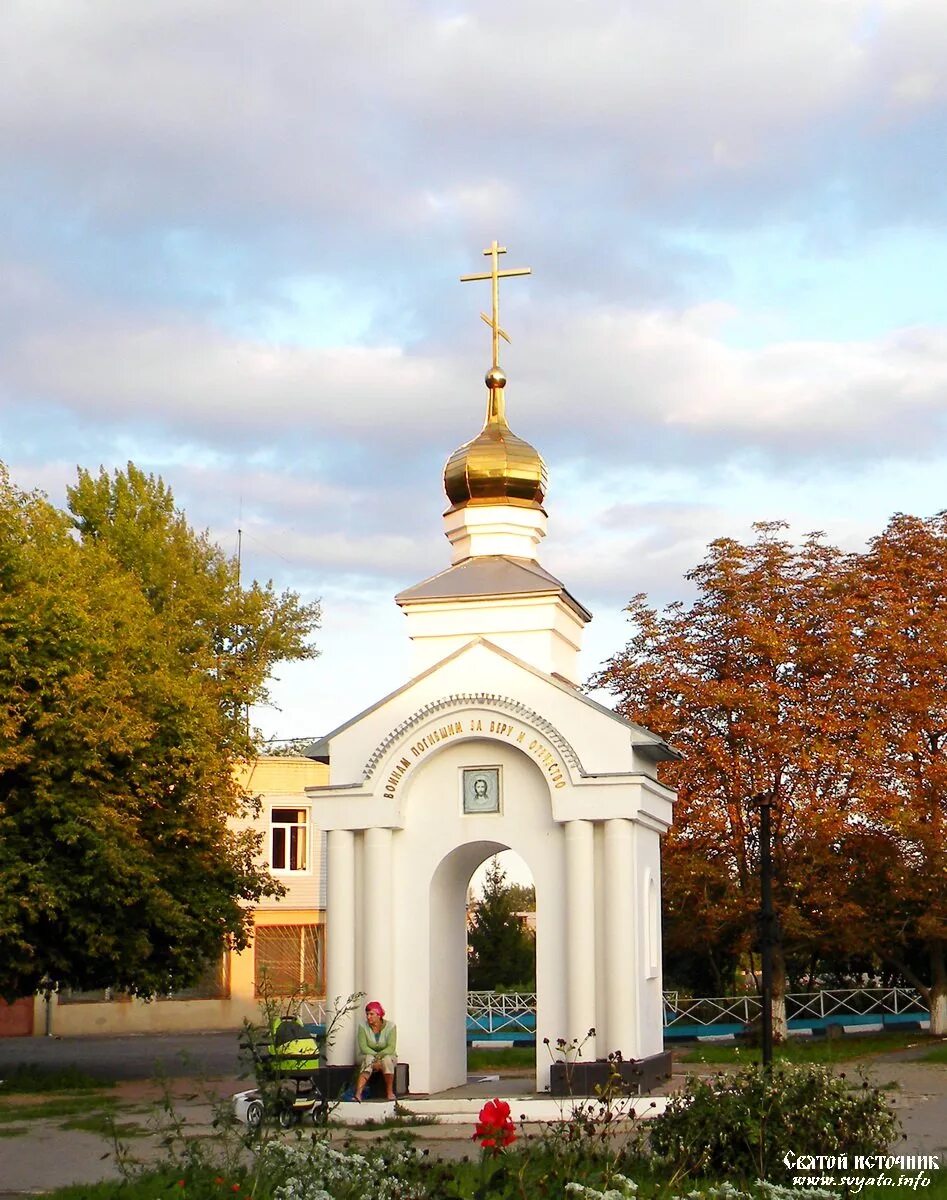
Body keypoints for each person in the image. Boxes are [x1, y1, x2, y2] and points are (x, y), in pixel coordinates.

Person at [354, 1000, 397, 1101]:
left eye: (371, 1014)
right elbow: (363, 1047)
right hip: (367, 1055)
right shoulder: (362, 1027)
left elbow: (391, 1047)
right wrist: (375, 1059)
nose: (369, 1017)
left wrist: (378, 1058)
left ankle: (390, 1092)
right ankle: (358, 1093)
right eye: (367, 1014)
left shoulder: (391, 1027)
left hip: (387, 1055)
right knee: (368, 1059)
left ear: (379, 1015)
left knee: (387, 1060)